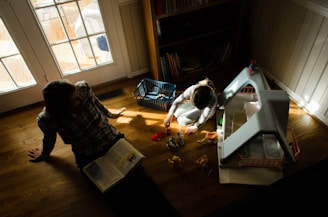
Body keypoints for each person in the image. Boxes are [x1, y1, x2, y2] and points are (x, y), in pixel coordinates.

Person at [28, 79, 126, 169]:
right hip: (85, 151)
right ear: (62, 108)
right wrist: (44, 154)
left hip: (108, 136)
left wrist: (111, 114)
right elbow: (49, 138)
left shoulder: (83, 89)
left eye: (77, 94)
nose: (80, 98)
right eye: (75, 100)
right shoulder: (47, 120)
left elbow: (96, 102)